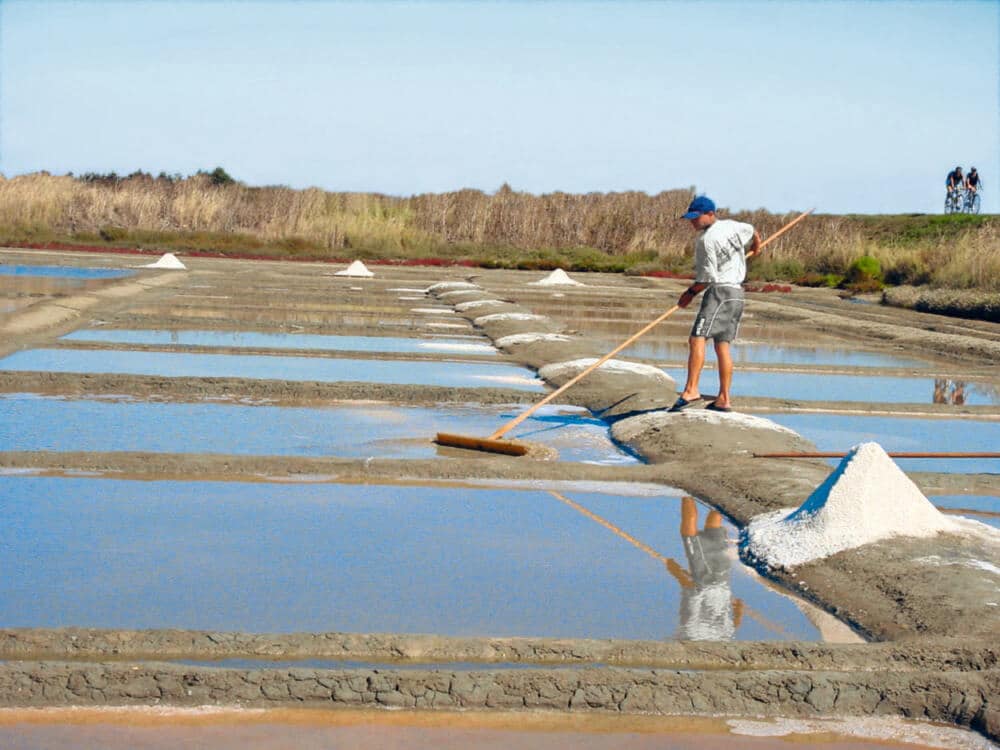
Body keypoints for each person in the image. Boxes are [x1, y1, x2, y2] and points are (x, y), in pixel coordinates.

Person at [669, 195, 761, 413]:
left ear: (710, 214)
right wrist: (757, 247)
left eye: (696, 218)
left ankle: (691, 390)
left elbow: (707, 279)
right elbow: (753, 231)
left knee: (697, 337)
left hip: (720, 291)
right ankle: (723, 399)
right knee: (722, 345)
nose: (693, 222)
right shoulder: (733, 226)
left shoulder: (706, 241)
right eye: (691, 218)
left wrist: (689, 294)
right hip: (737, 294)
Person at [676, 496, 743, 640]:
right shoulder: (692, 634)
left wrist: (738, 611)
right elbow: (693, 599)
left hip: (723, 575)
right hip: (705, 575)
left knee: (715, 524)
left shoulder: (724, 637)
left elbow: (735, 624)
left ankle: (718, 495)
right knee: (690, 532)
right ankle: (686, 492)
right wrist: (677, 573)